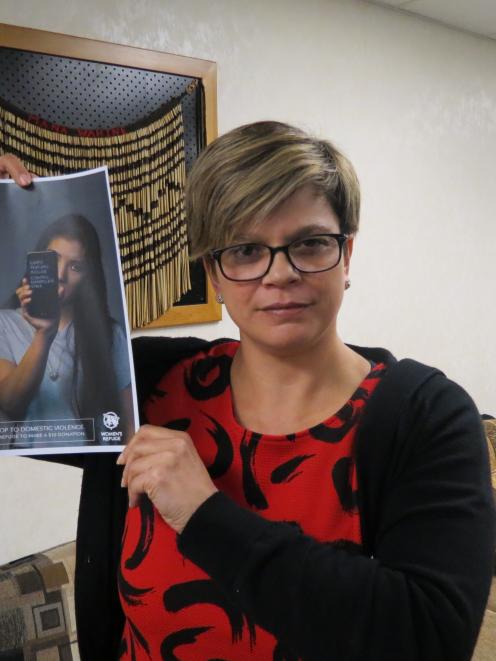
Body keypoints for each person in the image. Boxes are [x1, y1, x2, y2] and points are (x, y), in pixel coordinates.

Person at [0, 122, 494, 661]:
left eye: (309, 243)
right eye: (244, 250)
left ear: (346, 255)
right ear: (214, 271)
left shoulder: (426, 418)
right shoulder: (148, 385)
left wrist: (206, 515)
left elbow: (429, 637)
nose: (279, 274)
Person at [0, 206, 134, 448]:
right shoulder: (4, 323)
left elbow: (128, 422)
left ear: (87, 276)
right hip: (26, 472)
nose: (60, 274)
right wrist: (45, 334)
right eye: (53, 259)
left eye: (75, 267)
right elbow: (9, 402)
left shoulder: (110, 333)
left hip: (91, 470)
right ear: (37, 261)